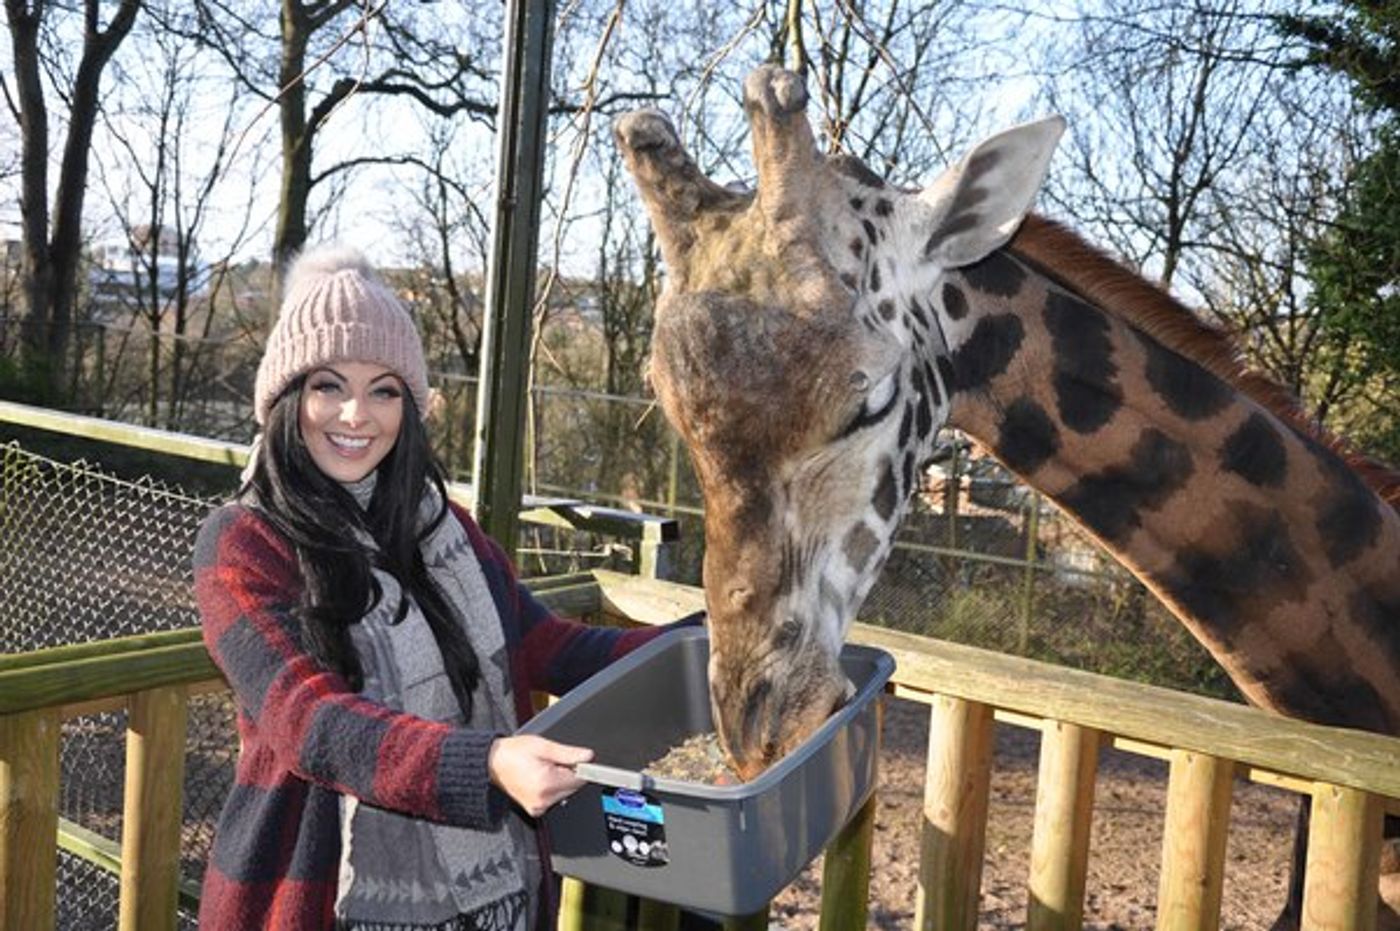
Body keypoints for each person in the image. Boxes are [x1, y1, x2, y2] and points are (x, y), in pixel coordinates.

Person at [193, 245, 683, 930]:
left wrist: (701, 645)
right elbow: (309, 721)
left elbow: (545, 643)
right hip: (312, 898)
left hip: (495, 893)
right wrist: (482, 764)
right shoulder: (243, 542)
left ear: (411, 405)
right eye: (328, 385)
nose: (356, 414)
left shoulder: (444, 528)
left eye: (384, 389)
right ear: (285, 398)